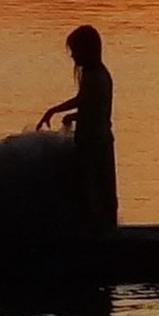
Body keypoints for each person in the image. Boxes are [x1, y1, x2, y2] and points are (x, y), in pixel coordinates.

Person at [34, 23, 118, 232]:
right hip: (94, 140)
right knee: (96, 189)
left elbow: (84, 101)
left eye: (75, 51)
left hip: (95, 143)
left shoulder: (96, 76)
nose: (72, 56)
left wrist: (54, 110)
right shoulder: (95, 74)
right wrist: (71, 116)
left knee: (96, 189)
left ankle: (104, 233)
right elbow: (92, 107)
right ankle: (102, 229)